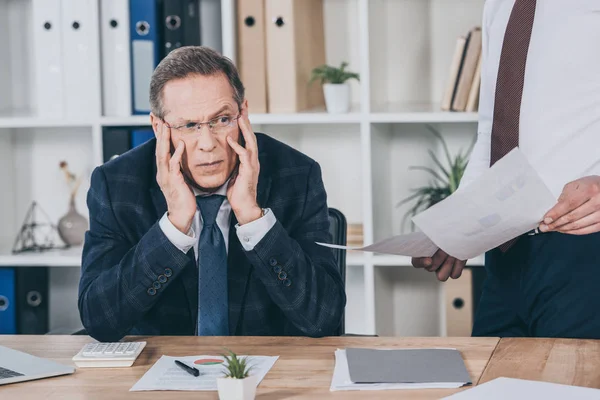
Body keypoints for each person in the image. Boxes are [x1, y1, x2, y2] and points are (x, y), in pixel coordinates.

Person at [78, 46, 346, 342]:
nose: (207, 144)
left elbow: (324, 318)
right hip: (159, 376)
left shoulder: (297, 175)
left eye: (221, 120)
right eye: (189, 125)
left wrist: (252, 218)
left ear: (243, 113)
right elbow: (99, 321)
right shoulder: (116, 185)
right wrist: (174, 226)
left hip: (267, 373)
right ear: (158, 127)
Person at [412, 0, 600, 338]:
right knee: (488, 385)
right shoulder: (500, 5)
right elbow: (491, 130)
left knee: (570, 390)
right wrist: (459, 223)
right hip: (504, 253)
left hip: (582, 251)